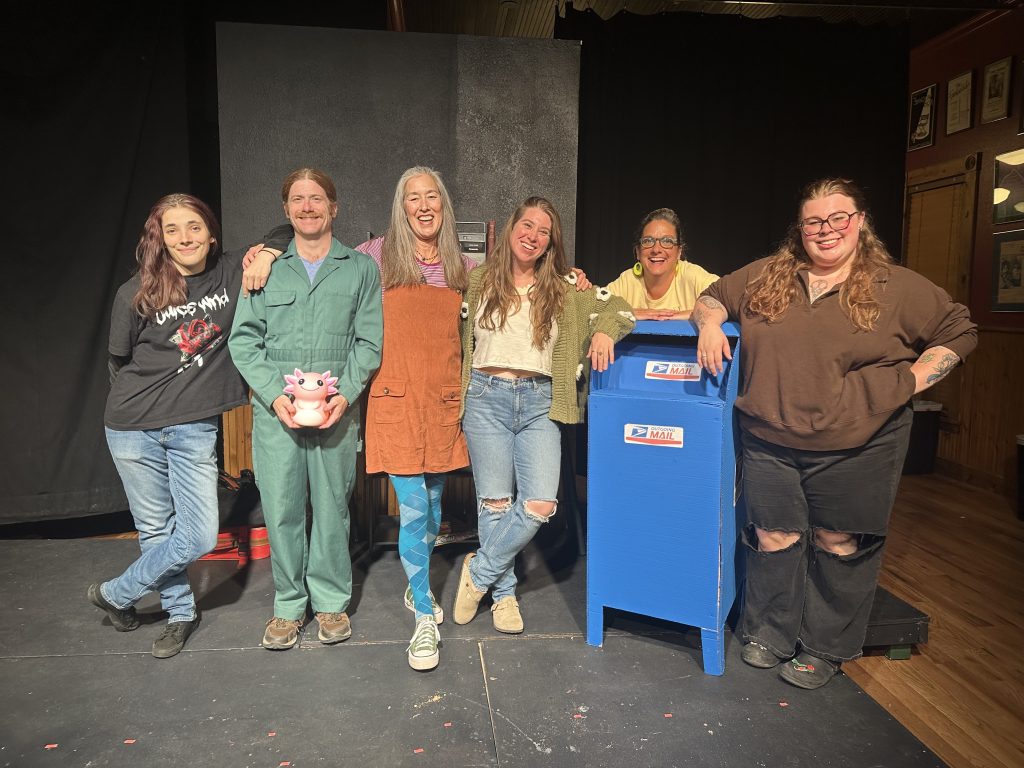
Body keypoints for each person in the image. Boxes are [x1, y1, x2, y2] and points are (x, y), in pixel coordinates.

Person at [243, 167, 595, 669]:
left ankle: (433, 586)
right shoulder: (372, 259)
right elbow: (316, 243)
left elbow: (525, 284)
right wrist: (270, 248)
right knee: (411, 509)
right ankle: (424, 617)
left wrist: (575, 278)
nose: (424, 205)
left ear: (444, 206)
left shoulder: (466, 268)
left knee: (431, 510)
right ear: (400, 206)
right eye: (413, 198)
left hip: (446, 403)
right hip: (395, 403)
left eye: (432, 197)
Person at [692, 178, 976, 689]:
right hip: (770, 439)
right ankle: (768, 633)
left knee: (838, 542)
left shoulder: (896, 286)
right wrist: (711, 323)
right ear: (800, 229)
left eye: (838, 218)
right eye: (814, 221)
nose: (826, 230)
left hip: (860, 443)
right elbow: (712, 296)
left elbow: (959, 331)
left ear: (860, 222)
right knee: (773, 537)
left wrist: (911, 380)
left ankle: (824, 646)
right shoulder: (767, 276)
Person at [91, 193, 276, 658]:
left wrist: (269, 254)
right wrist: (147, 405)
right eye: (172, 230)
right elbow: (119, 361)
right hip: (131, 426)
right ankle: (180, 614)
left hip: (193, 426)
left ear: (211, 232)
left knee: (194, 534)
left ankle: (115, 593)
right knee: (155, 529)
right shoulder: (136, 291)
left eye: (193, 226)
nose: (184, 237)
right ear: (161, 239)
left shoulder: (233, 270)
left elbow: (288, 231)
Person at [452, 196, 635, 634]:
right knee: (495, 504)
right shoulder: (477, 281)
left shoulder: (566, 287)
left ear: (551, 243)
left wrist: (605, 333)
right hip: (485, 395)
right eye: (527, 225)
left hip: (540, 400)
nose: (533, 236)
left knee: (539, 503)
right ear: (513, 227)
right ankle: (503, 596)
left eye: (544, 232)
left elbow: (619, 308)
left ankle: (477, 574)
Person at [228, 168, 383, 651]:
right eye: (298, 199)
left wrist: (347, 394)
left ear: (334, 208)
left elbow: (369, 340)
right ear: (286, 210)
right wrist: (275, 395)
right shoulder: (266, 269)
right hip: (278, 418)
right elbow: (244, 340)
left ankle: (332, 601)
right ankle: (289, 607)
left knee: (334, 509)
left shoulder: (359, 269)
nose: (308, 207)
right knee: (282, 510)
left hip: (336, 415)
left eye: (317, 199)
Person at [605, 207, 718, 320]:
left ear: (679, 252)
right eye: (648, 241)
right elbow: (593, 307)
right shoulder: (628, 281)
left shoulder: (693, 276)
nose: (656, 249)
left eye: (667, 241)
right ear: (638, 252)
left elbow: (729, 300)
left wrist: (674, 316)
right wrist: (629, 312)